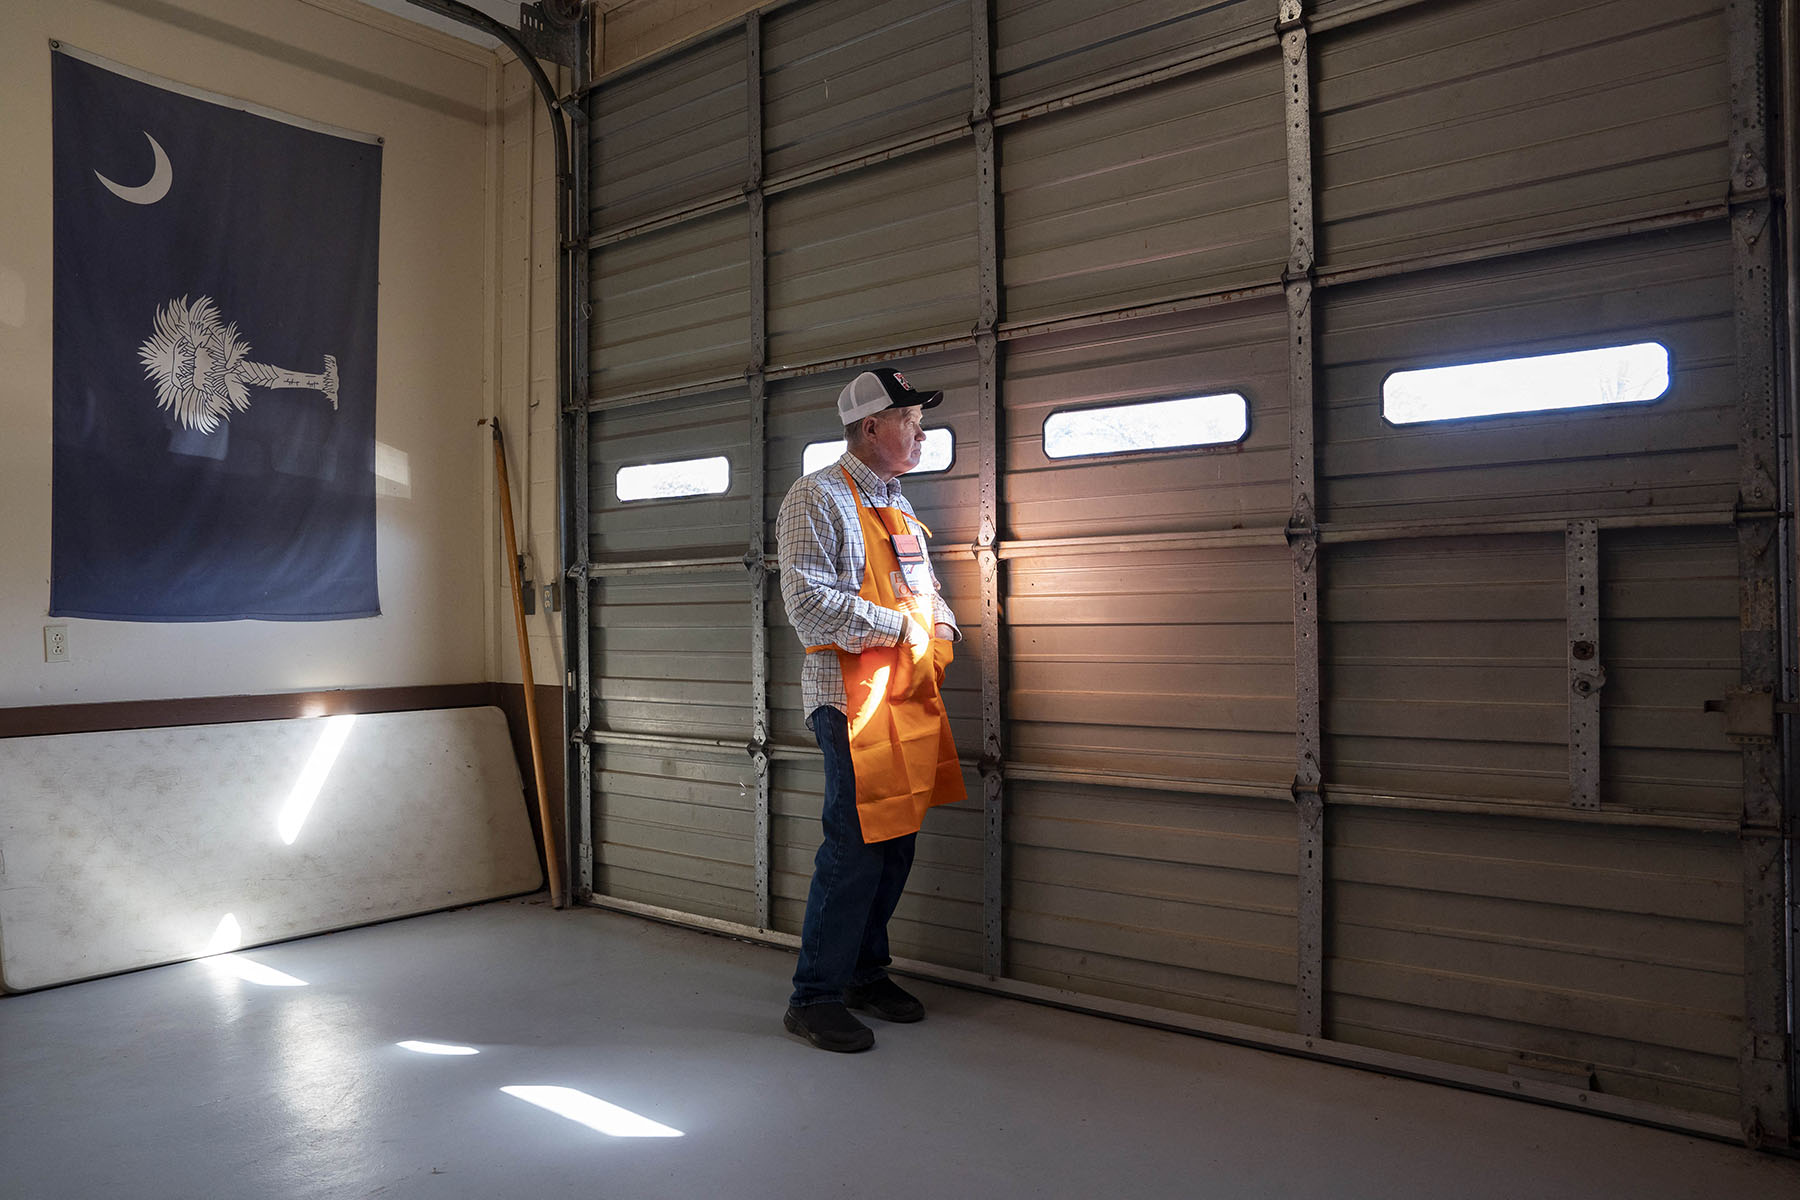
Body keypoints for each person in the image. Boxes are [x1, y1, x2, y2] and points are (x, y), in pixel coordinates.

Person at [775, 367, 965, 1053]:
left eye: (920, 421)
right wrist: (905, 630)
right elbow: (809, 605)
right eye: (910, 421)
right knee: (854, 848)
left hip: (906, 700)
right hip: (846, 702)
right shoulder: (815, 497)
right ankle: (814, 995)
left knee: (895, 846)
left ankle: (864, 974)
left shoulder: (900, 506)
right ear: (872, 427)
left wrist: (942, 631)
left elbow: (930, 595)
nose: (920, 432)